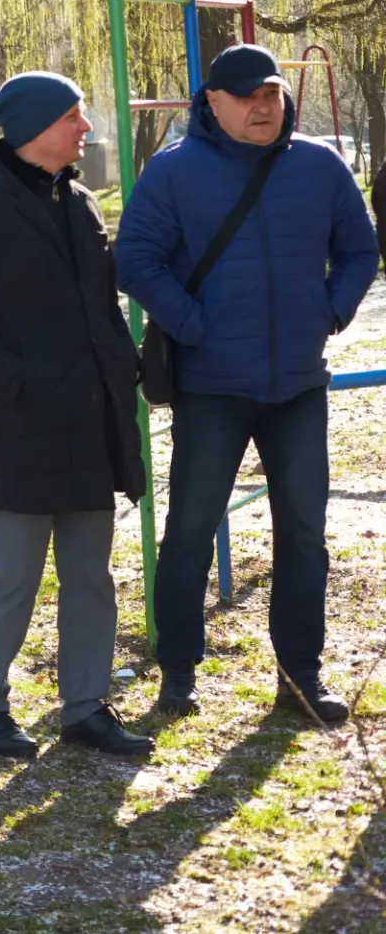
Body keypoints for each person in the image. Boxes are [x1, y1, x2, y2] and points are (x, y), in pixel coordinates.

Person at [115, 44, 378, 726]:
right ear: (213, 102)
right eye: (248, 95)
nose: (264, 105)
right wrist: (192, 324)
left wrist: (332, 309)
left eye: (271, 93)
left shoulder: (319, 166)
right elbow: (136, 258)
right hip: (212, 386)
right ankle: (177, 672)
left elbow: (360, 247)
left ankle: (300, 676)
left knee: (305, 534)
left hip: (298, 384)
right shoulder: (172, 173)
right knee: (190, 530)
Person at [0, 74, 153, 759]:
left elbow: (102, 309)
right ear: (34, 127)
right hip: (23, 426)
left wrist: (128, 370)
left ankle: (84, 705)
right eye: (74, 117)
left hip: (92, 423)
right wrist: (17, 380)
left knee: (92, 576)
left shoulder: (82, 203)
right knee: (15, 576)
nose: (85, 129)